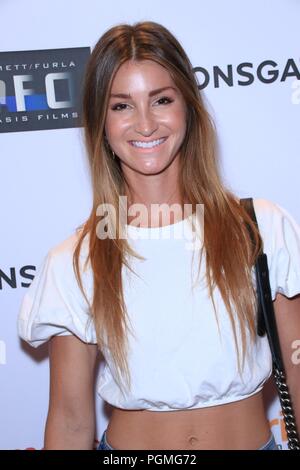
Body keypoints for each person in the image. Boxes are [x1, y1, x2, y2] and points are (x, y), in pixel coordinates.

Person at [17, 21, 300, 451]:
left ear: (188, 105)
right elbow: (72, 421)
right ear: (102, 124)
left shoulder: (259, 228)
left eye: (161, 100)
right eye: (121, 106)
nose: (145, 124)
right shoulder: (76, 260)